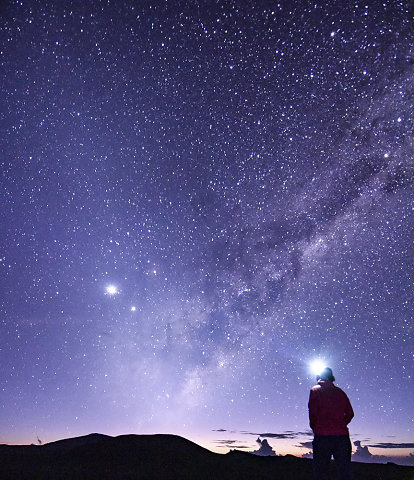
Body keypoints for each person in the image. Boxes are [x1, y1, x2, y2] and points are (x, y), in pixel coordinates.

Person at [308, 367, 354, 480]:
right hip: (342, 437)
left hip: (322, 437)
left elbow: (312, 413)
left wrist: (316, 428)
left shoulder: (315, 390)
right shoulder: (340, 392)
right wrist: (341, 424)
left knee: (320, 472)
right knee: (344, 472)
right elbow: (350, 413)